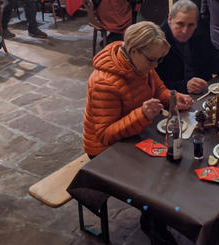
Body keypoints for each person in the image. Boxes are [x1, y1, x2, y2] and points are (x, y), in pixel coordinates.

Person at [83, 21, 193, 157]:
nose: (155, 66)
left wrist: (173, 98)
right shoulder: (104, 83)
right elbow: (105, 136)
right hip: (104, 151)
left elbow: (158, 90)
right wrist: (142, 115)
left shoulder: (141, 64)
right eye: (152, 60)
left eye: (159, 60)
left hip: (135, 132)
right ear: (134, 51)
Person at [156, 0, 219, 93]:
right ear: (170, 19)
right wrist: (183, 86)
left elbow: (214, 56)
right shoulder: (157, 42)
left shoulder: (199, 32)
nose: (185, 31)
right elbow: (152, 84)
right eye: (180, 24)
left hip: (203, 92)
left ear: (196, 24)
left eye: (191, 25)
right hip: (173, 97)